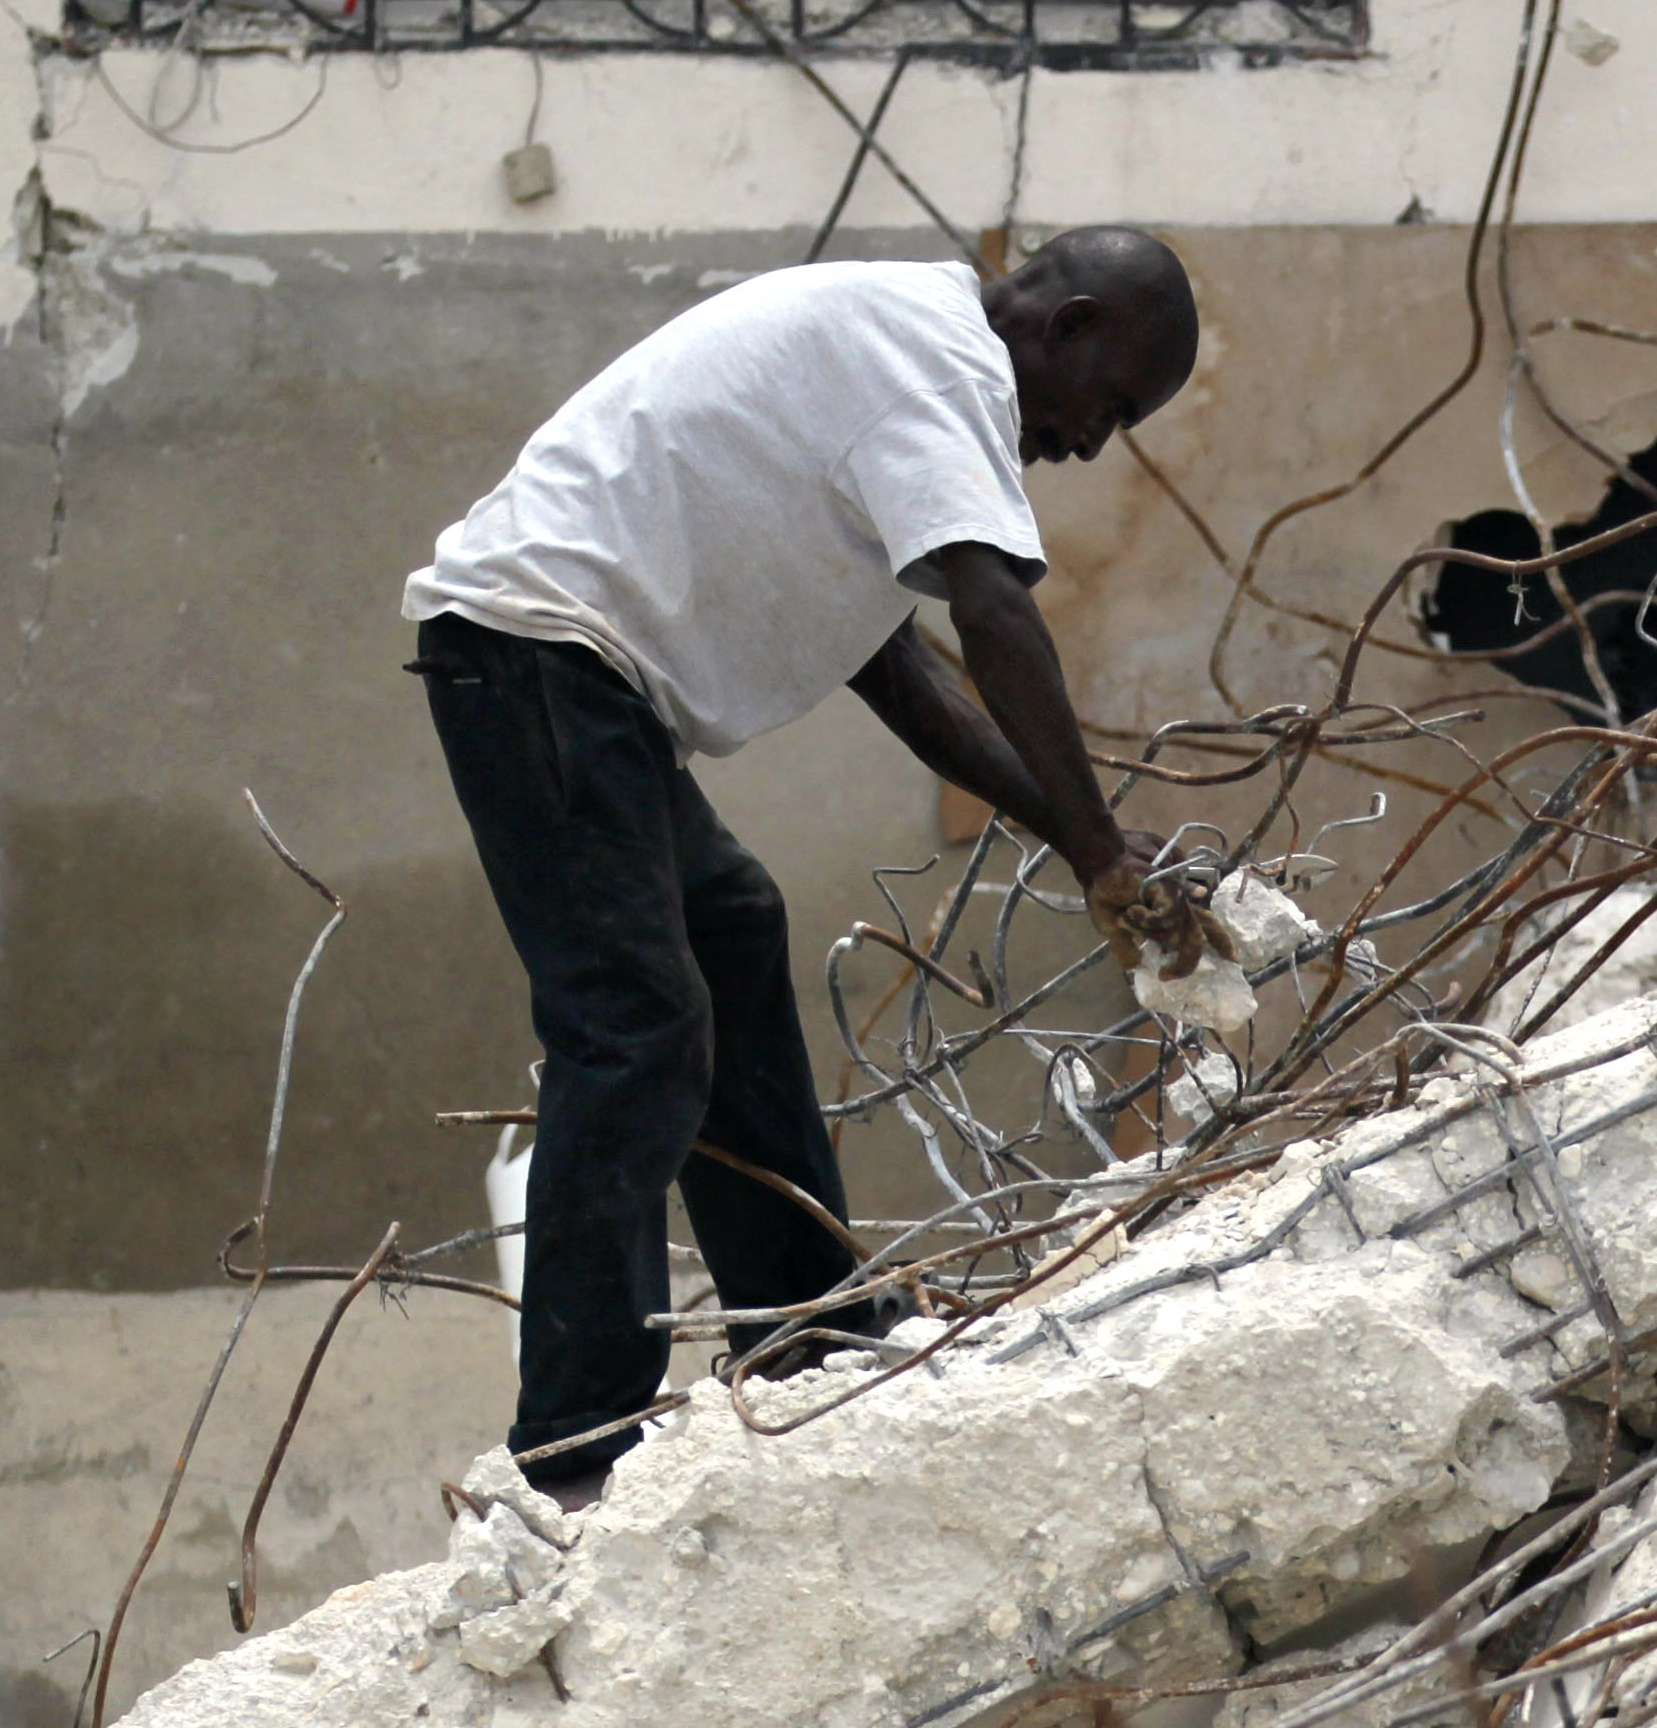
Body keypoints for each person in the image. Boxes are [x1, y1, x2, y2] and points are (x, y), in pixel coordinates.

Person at [402, 225, 1212, 1501]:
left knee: (727, 924)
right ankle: (568, 1443)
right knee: (634, 1024)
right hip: (533, 657)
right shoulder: (937, 365)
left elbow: (901, 672)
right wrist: (1105, 854)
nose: (1089, 444)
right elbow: (991, 618)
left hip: (568, 673)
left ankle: (808, 1330)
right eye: (1109, 406)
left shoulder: (901, 360)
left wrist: (1081, 839)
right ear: (1067, 329)